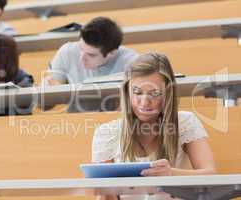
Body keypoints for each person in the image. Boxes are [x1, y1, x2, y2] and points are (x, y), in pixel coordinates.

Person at [92, 52, 216, 200]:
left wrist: (172, 173)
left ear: (168, 93)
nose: (144, 102)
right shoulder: (106, 133)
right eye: (137, 92)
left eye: (155, 93)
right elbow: (106, 195)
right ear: (126, 92)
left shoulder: (184, 122)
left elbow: (211, 175)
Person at [45, 17, 138, 112]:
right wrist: (50, 93)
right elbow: (44, 106)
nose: (82, 58)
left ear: (112, 53)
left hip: (114, 122)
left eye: (91, 55)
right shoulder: (67, 52)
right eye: (81, 48)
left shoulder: (131, 62)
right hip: (76, 121)